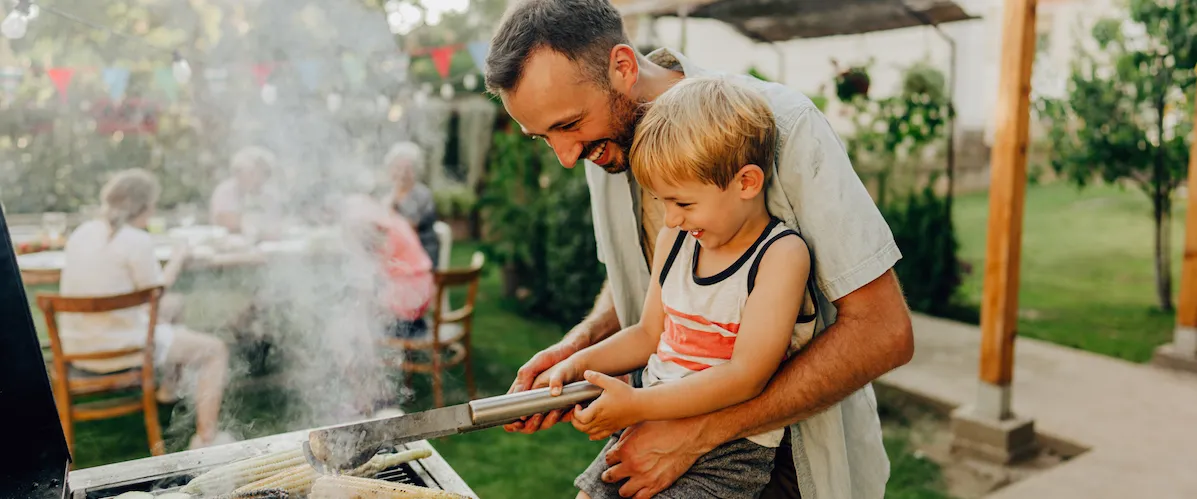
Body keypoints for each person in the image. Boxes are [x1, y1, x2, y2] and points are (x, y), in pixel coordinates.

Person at [484, 0, 915, 497]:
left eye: (567, 125)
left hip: (789, 460)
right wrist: (579, 350)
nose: (564, 156)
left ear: (622, 67)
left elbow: (883, 332)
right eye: (544, 137)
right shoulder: (603, 141)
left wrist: (695, 434)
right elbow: (655, 279)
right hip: (662, 423)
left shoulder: (785, 124)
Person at [547, 77, 818, 499]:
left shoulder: (780, 256)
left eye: (683, 203)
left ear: (746, 182)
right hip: (650, 419)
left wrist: (636, 405)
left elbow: (745, 377)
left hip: (728, 449)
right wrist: (579, 363)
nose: (670, 220)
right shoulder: (679, 240)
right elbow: (646, 335)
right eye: (661, 202)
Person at [59, 169, 234, 450]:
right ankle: (206, 438)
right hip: (125, 349)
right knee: (215, 350)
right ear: (144, 207)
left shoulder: (81, 233)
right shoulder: (136, 240)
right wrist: (178, 258)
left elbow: (151, 298)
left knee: (175, 306)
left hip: (77, 348)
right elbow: (155, 291)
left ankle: (167, 390)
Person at [340, 193, 436, 340]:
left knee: (360, 304)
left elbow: (370, 270)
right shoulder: (398, 221)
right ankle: (414, 328)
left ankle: (370, 344)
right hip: (425, 289)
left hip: (408, 294)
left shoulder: (381, 230)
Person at [381, 142, 441, 268]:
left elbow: (411, 226)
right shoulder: (386, 194)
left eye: (407, 169)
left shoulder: (423, 195)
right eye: (398, 168)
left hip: (420, 254)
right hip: (394, 254)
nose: (402, 173)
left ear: (415, 170)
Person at [209, 145, 281, 238]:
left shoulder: (269, 194)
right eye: (253, 173)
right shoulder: (225, 191)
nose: (260, 178)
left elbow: (276, 224)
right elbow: (225, 221)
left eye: (265, 173)